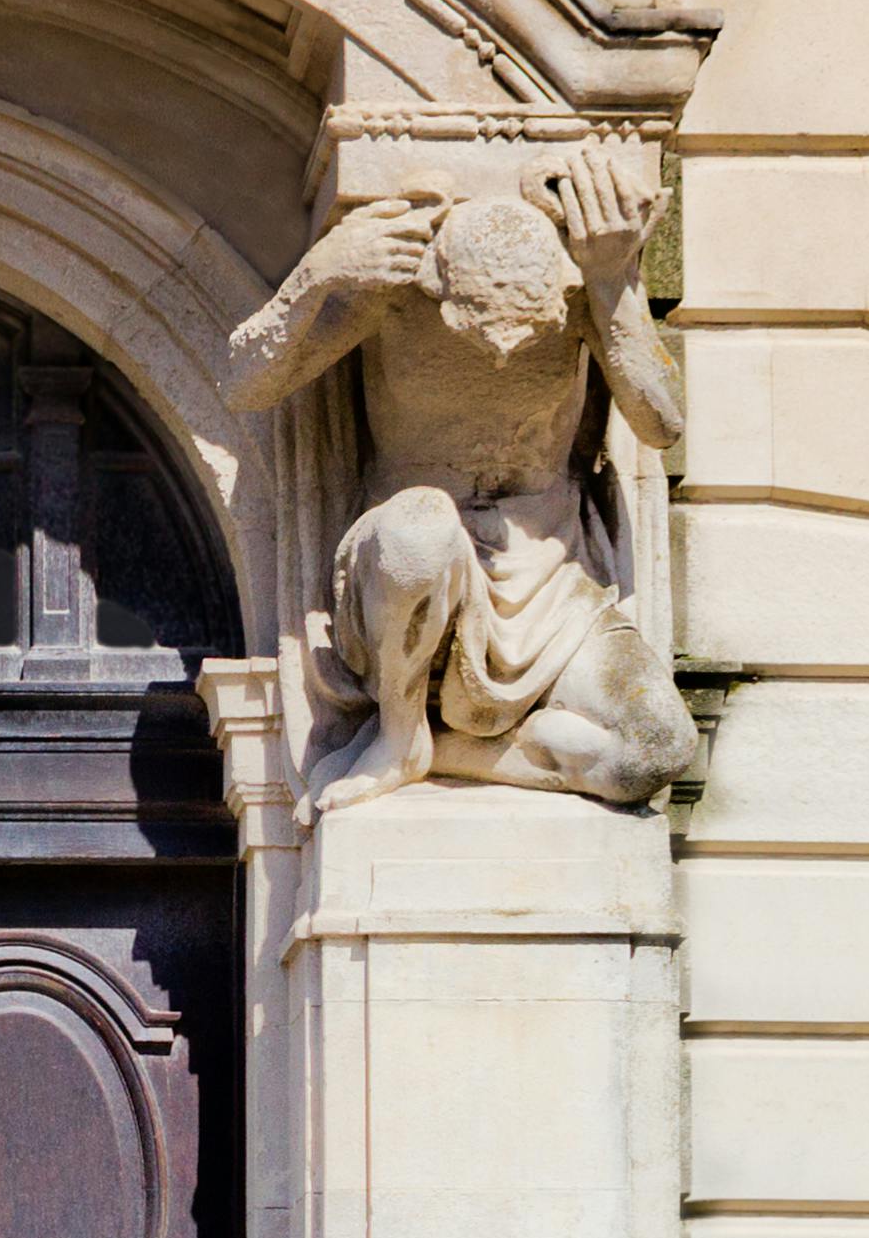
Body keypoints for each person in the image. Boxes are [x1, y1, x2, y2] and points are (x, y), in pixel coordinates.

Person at [223, 134, 697, 813]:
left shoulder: (585, 285)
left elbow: (662, 424)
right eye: (480, 331)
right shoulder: (391, 287)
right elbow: (244, 383)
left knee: (657, 747)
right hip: (409, 570)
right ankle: (396, 725)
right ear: (440, 293)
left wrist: (613, 282)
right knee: (421, 527)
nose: (504, 354)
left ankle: (443, 752)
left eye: (530, 334)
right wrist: (320, 274)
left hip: (548, 574)